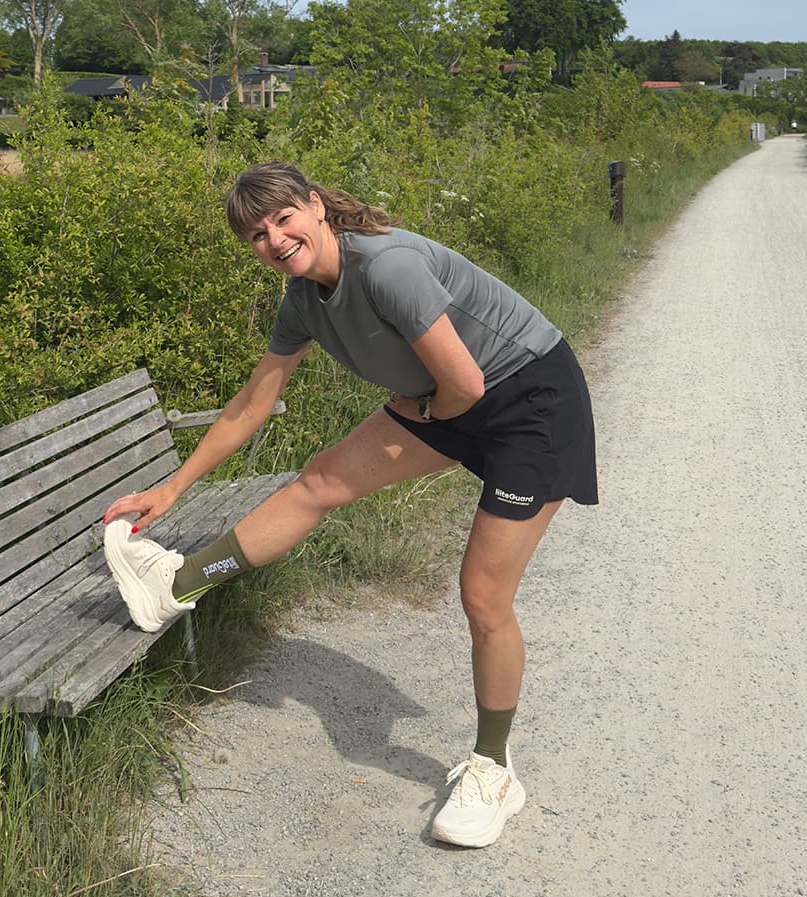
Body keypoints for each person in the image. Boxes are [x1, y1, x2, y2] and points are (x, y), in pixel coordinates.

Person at [101, 161, 598, 848]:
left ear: (315, 207)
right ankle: (175, 586)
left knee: (483, 595)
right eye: (256, 234)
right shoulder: (302, 301)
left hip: (530, 399)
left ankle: (494, 769)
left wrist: (422, 407)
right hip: (450, 397)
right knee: (321, 479)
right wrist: (171, 487)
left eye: (283, 218)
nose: (274, 239)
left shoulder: (387, 267)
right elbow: (254, 403)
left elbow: (465, 383)